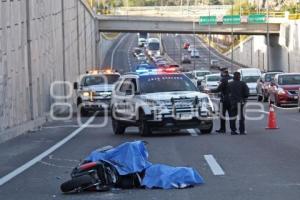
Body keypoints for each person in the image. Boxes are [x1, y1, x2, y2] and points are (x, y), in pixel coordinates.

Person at [210, 68, 231, 134]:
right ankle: (233, 128)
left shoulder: (223, 79)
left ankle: (223, 129)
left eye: (221, 73)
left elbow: (218, 89)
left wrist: (210, 91)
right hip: (232, 99)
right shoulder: (231, 78)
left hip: (224, 99)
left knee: (222, 114)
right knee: (231, 114)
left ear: (223, 73)